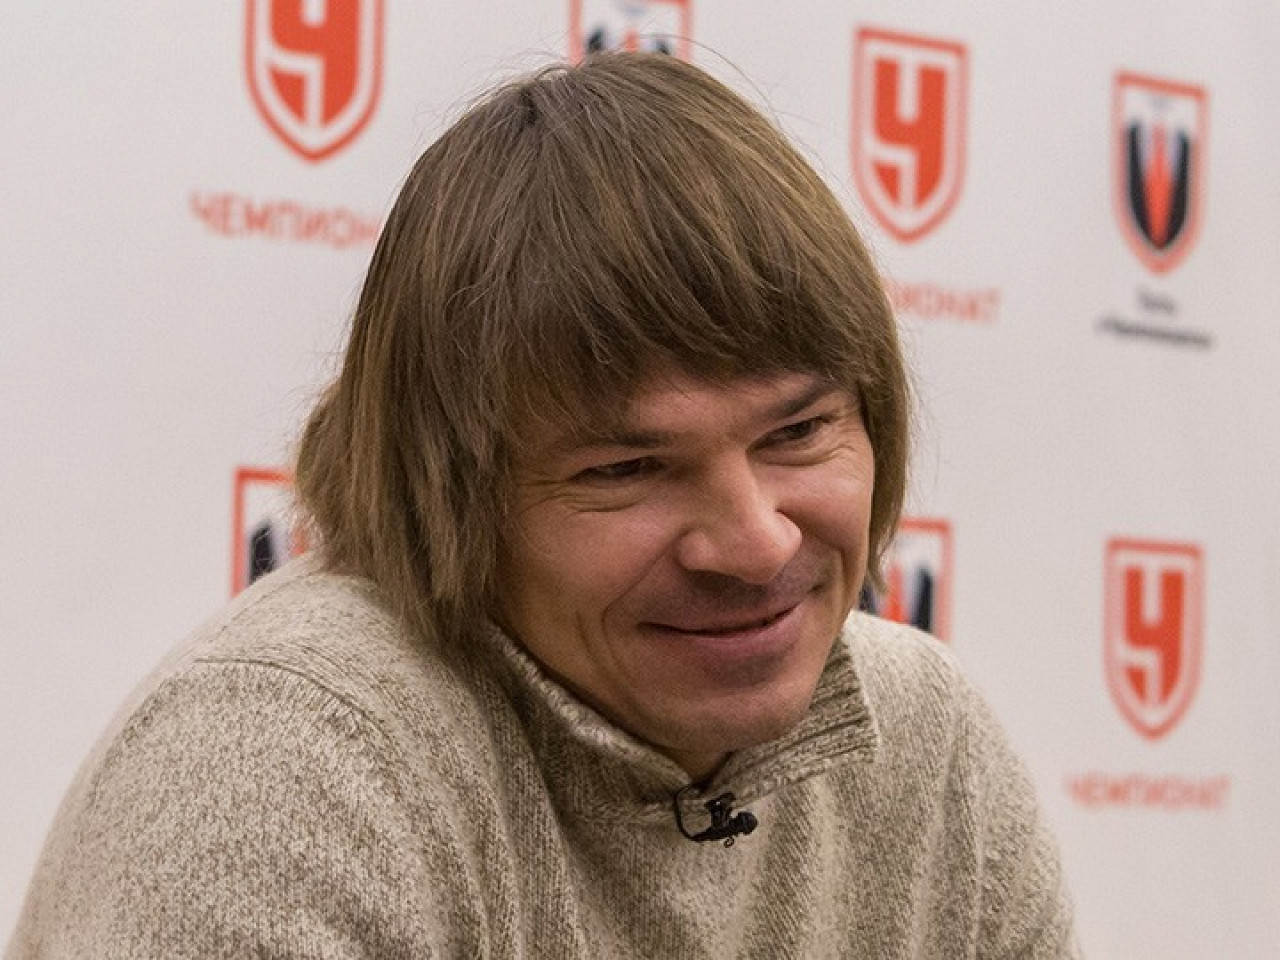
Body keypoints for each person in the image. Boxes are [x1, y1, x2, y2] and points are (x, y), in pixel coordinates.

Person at [7, 52, 1079, 958]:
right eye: (628, 469)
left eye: (797, 433)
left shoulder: (924, 739)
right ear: (449, 491)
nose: (755, 543)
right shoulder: (284, 765)